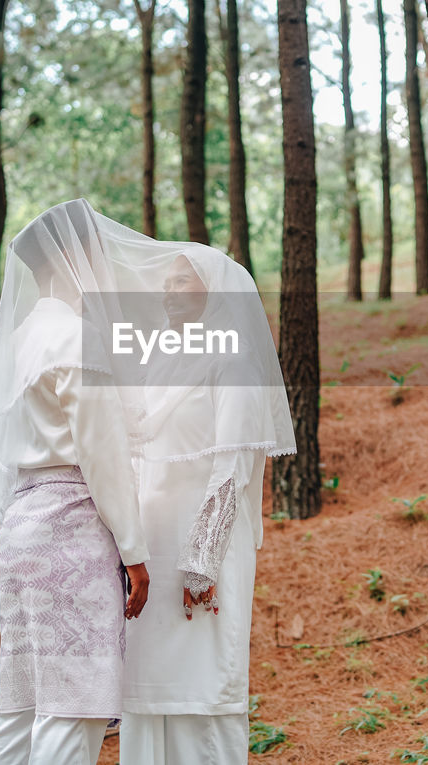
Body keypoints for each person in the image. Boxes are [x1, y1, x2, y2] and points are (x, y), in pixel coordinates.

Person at [0, 200, 152, 765]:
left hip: (20, 530)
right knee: (73, 708)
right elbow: (102, 454)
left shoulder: (20, 339)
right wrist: (134, 551)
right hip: (70, 534)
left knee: (20, 703)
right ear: (76, 259)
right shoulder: (75, 336)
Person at [119, 246, 297, 764]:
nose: (169, 291)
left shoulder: (236, 358)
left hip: (203, 548)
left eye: (183, 282)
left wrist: (202, 559)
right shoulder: (156, 358)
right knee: (148, 689)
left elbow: (233, 465)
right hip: (151, 543)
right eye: (167, 282)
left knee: (203, 685)